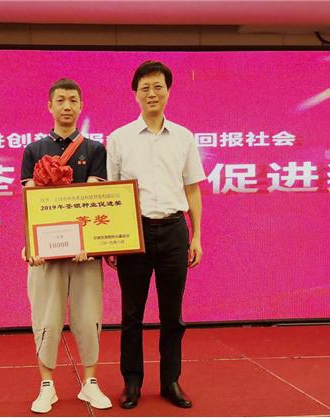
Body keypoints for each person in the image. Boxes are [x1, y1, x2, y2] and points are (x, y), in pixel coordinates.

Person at [106, 61, 205, 409]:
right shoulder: (118, 139)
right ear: (135, 94)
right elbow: (112, 193)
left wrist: (196, 235)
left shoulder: (184, 137)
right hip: (135, 234)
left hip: (175, 231)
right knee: (131, 315)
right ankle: (132, 382)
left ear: (168, 91)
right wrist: (112, 240)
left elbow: (192, 189)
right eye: (145, 88)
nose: (152, 93)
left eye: (158, 87)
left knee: (172, 315)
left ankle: (170, 381)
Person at [20, 78, 111, 414]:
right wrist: (31, 243)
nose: (67, 106)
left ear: (81, 105)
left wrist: (90, 242)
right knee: (46, 318)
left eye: (73, 100)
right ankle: (47, 385)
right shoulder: (34, 150)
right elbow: (31, 203)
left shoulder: (95, 150)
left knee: (88, 317)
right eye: (60, 100)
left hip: (85, 254)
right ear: (50, 106)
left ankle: (90, 382)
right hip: (47, 254)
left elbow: (93, 198)